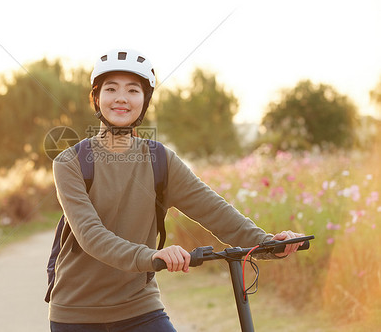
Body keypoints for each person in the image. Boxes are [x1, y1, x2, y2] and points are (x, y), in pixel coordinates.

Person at [49, 49, 304, 331]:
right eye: (111, 89)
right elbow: (91, 236)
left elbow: (214, 211)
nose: (121, 98)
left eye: (133, 90)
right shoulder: (70, 163)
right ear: (96, 98)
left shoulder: (161, 160)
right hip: (77, 312)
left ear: (145, 101)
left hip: (140, 306)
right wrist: (152, 257)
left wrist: (267, 244)